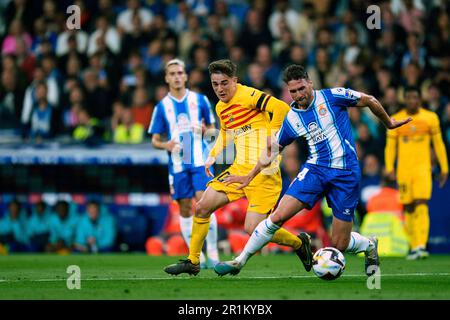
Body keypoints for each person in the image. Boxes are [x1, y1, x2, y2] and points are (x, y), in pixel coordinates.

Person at [214, 64, 412, 277]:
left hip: (345, 173)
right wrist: (249, 175)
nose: (298, 95)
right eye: (293, 91)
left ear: (310, 83)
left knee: (339, 244)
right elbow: (273, 149)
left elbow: (370, 100)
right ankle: (239, 261)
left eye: (301, 88)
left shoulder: (334, 96)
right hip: (315, 170)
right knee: (277, 216)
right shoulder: (292, 118)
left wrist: (389, 123)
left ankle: (368, 244)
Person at [164, 59, 313, 276]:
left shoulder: (249, 95)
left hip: (264, 173)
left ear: (235, 80)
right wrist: (212, 156)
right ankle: (193, 261)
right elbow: (226, 131)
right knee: (202, 206)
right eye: (215, 84)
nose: (220, 89)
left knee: (254, 229)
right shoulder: (221, 107)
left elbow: (280, 108)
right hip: (238, 169)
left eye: (224, 83)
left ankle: (300, 244)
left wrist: (272, 136)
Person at [149, 59, 219, 269]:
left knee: (205, 204)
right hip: (178, 164)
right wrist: (167, 145)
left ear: (186, 76)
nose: (177, 76)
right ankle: (196, 256)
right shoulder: (162, 107)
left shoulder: (200, 100)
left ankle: (213, 252)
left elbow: (214, 133)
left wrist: (204, 132)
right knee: (185, 208)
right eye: (172, 73)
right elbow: (154, 140)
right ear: (167, 78)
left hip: (200, 160)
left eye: (180, 72)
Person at [385, 86, 448, 260]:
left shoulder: (430, 118)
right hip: (404, 171)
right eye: (409, 97)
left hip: (423, 169)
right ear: (404, 99)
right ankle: (414, 246)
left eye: (415, 97)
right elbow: (390, 147)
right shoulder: (396, 119)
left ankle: (421, 245)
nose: (412, 101)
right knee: (408, 207)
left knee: (422, 204)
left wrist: (444, 168)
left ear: (420, 99)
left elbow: (439, 144)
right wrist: (390, 167)